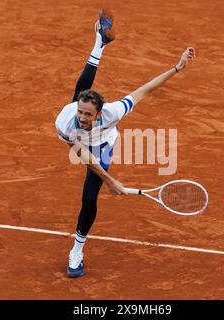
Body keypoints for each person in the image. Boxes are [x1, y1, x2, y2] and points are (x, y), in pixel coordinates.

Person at [55, 11, 196, 277]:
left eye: (89, 114)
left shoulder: (112, 112)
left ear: (100, 113)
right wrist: (111, 181)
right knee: (79, 96)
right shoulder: (65, 121)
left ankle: (77, 249)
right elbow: (84, 157)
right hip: (85, 147)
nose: (83, 117)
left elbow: (145, 90)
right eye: (81, 113)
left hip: (102, 143)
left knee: (88, 197)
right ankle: (99, 44)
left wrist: (177, 68)